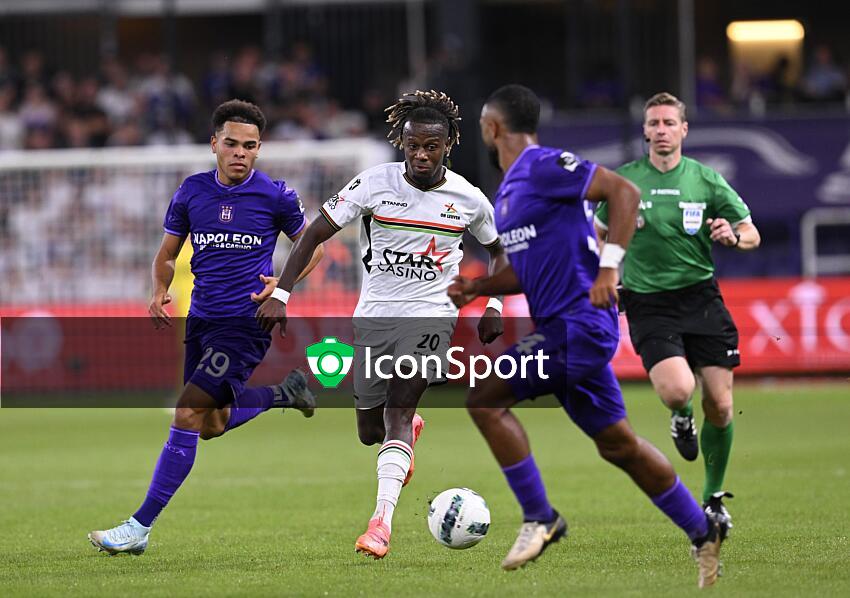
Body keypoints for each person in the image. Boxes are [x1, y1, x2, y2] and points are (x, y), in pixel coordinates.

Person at [448, 84, 727, 588]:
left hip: (577, 324)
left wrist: (609, 269)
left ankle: (540, 517)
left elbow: (626, 192)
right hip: (563, 330)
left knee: (483, 399)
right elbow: (528, 270)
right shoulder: (510, 192)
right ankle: (703, 530)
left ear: (492, 128)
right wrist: (480, 286)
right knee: (618, 445)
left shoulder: (543, 165)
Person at [256, 90, 507, 559]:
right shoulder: (374, 184)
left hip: (432, 316)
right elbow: (314, 232)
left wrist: (492, 304)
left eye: (430, 146)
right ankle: (405, 437)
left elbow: (498, 249)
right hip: (374, 317)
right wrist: (283, 293)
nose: (420, 155)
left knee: (397, 410)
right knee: (371, 432)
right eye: (412, 145)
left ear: (448, 143)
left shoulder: (468, 198)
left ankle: (380, 524)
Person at [88, 99, 324, 555]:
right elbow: (167, 256)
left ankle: (138, 528)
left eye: (250, 146)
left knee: (187, 413)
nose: (240, 153)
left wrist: (284, 285)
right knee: (211, 424)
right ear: (214, 143)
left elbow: (311, 244)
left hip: (246, 323)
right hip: (201, 321)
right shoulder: (191, 192)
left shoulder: (276, 195)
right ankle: (285, 393)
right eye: (232, 143)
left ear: (259, 149)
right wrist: (158, 290)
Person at [595, 91, 760, 524]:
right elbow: (596, 233)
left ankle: (712, 500)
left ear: (684, 129)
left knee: (722, 407)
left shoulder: (705, 180)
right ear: (645, 131)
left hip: (701, 297)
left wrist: (732, 236)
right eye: (654, 123)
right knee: (678, 390)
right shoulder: (625, 181)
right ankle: (681, 416)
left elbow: (750, 233)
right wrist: (606, 271)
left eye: (670, 122)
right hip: (648, 301)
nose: (662, 130)